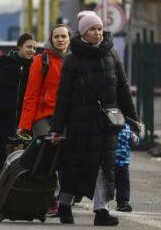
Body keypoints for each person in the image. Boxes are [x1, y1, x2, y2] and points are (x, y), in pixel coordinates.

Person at [50, 12, 138, 226]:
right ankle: (64, 205)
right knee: (74, 166)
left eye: (99, 28)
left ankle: (101, 210)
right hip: (79, 122)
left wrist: (133, 119)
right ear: (83, 32)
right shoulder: (72, 59)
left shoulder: (112, 55)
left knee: (104, 167)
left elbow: (123, 89)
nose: (97, 33)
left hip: (107, 123)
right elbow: (63, 96)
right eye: (92, 29)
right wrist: (57, 128)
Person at [18, 26, 71, 215]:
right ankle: (50, 198)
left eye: (63, 36)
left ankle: (64, 199)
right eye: (56, 36)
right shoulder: (42, 60)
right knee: (47, 157)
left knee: (65, 159)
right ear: (51, 38)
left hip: (67, 118)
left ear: (69, 39)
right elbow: (30, 94)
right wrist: (24, 124)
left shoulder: (75, 60)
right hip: (43, 118)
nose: (60, 40)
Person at [0, 33, 37, 190]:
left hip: (24, 118)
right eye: (29, 47)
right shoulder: (5, 65)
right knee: (3, 152)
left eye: (34, 48)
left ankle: (17, 188)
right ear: (19, 47)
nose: (32, 50)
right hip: (3, 117)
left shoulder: (36, 67)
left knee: (23, 154)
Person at [115, 124, 139, 212]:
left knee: (124, 183)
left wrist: (135, 139)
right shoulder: (110, 124)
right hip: (110, 161)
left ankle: (122, 203)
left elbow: (133, 142)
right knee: (107, 183)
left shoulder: (128, 127)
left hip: (123, 162)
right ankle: (102, 204)